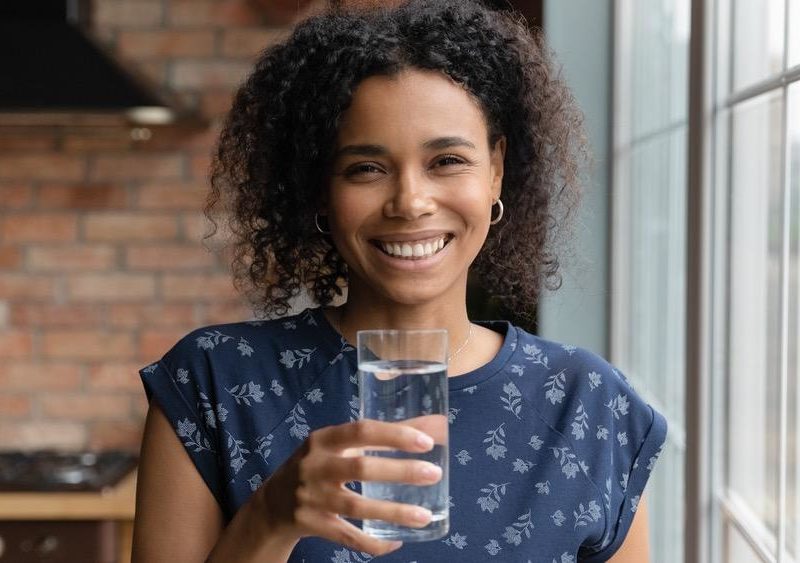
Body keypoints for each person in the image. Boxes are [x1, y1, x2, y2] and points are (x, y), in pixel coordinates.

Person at [132, 1, 667, 561]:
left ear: (496, 171)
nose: (410, 202)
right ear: (320, 190)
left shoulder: (588, 404)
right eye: (366, 168)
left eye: (447, 161)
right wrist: (269, 518)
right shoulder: (212, 383)